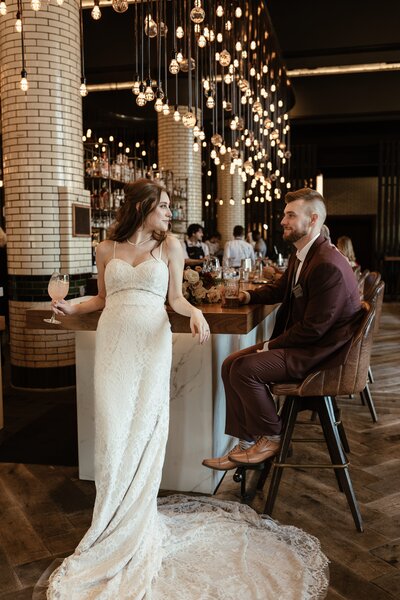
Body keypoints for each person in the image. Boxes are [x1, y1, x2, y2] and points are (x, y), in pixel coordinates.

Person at [35, 180, 329, 599]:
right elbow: (100, 297)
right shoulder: (106, 248)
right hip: (114, 344)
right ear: (143, 206)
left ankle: (136, 522)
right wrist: (68, 306)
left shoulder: (170, 246)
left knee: (144, 431)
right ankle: (108, 521)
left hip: (151, 346)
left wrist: (196, 314)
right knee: (113, 432)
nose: (170, 213)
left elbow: (175, 298)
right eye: (165, 206)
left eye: (171, 207)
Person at [203, 187, 362, 471]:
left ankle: (273, 436)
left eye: (290, 215)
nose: (282, 222)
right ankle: (247, 441)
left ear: (312, 220)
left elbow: (313, 330)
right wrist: (249, 296)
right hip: (309, 344)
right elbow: (282, 288)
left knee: (244, 369)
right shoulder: (305, 253)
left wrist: (269, 345)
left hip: (322, 354)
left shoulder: (327, 264)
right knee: (230, 364)